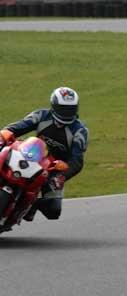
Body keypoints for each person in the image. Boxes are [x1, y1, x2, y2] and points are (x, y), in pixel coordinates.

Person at [0, 87, 89, 221]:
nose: (66, 112)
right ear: (54, 105)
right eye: (63, 108)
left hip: (54, 168)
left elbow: (77, 161)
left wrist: (63, 172)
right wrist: (6, 133)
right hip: (32, 156)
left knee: (53, 210)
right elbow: (18, 127)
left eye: (70, 109)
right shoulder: (41, 115)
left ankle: (31, 205)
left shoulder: (80, 131)